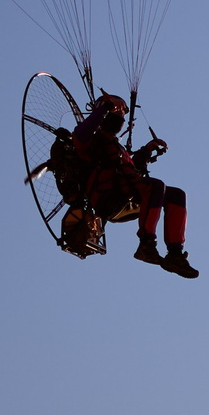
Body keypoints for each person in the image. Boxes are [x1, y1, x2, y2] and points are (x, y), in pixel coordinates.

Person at [50, 92, 197, 278]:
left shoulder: (117, 147)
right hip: (109, 198)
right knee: (156, 186)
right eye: (116, 115)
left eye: (121, 116)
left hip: (127, 196)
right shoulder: (90, 142)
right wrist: (104, 108)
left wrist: (147, 150)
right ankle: (146, 245)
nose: (120, 119)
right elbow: (80, 134)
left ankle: (175, 255)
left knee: (177, 195)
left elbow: (131, 170)